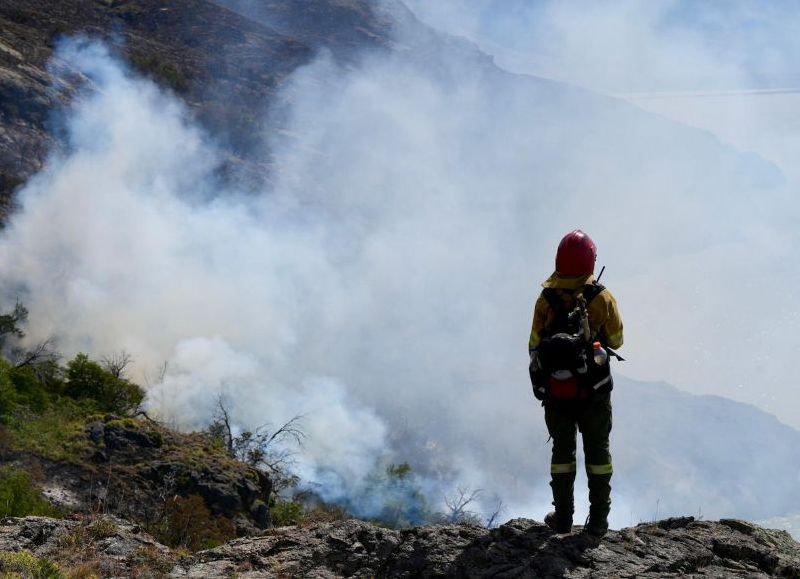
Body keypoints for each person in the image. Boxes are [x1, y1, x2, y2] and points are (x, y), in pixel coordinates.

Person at [528, 230, 623, 537]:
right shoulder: (602, 297)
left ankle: (563, 518)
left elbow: (534, 345)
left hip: (556, 392)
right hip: (594, 392)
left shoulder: (545, 299)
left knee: (562, 454)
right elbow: (617, 341)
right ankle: (597, 523)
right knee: (598, 454)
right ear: (590, 261)